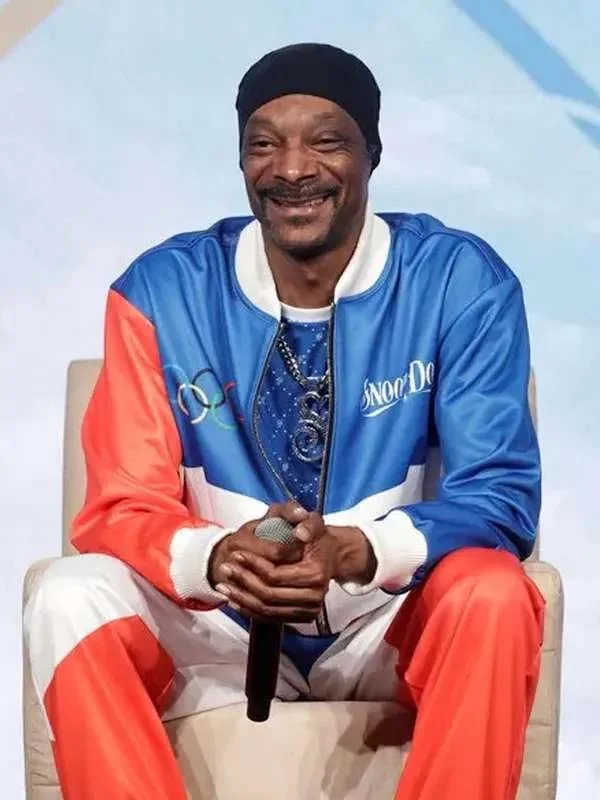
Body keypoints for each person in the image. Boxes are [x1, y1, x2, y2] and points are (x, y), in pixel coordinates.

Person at [23, 43, 545, 800]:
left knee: (492, 593)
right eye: (264, 144)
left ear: (372, 151)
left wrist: (357, 551)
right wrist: (217, 558)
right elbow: (121, 503)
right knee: (67, 595)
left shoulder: (459, 282)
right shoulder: (162, 291)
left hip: (388, 620)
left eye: (326, 141)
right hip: (217, 628)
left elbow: (498, 498)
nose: (292, 168)